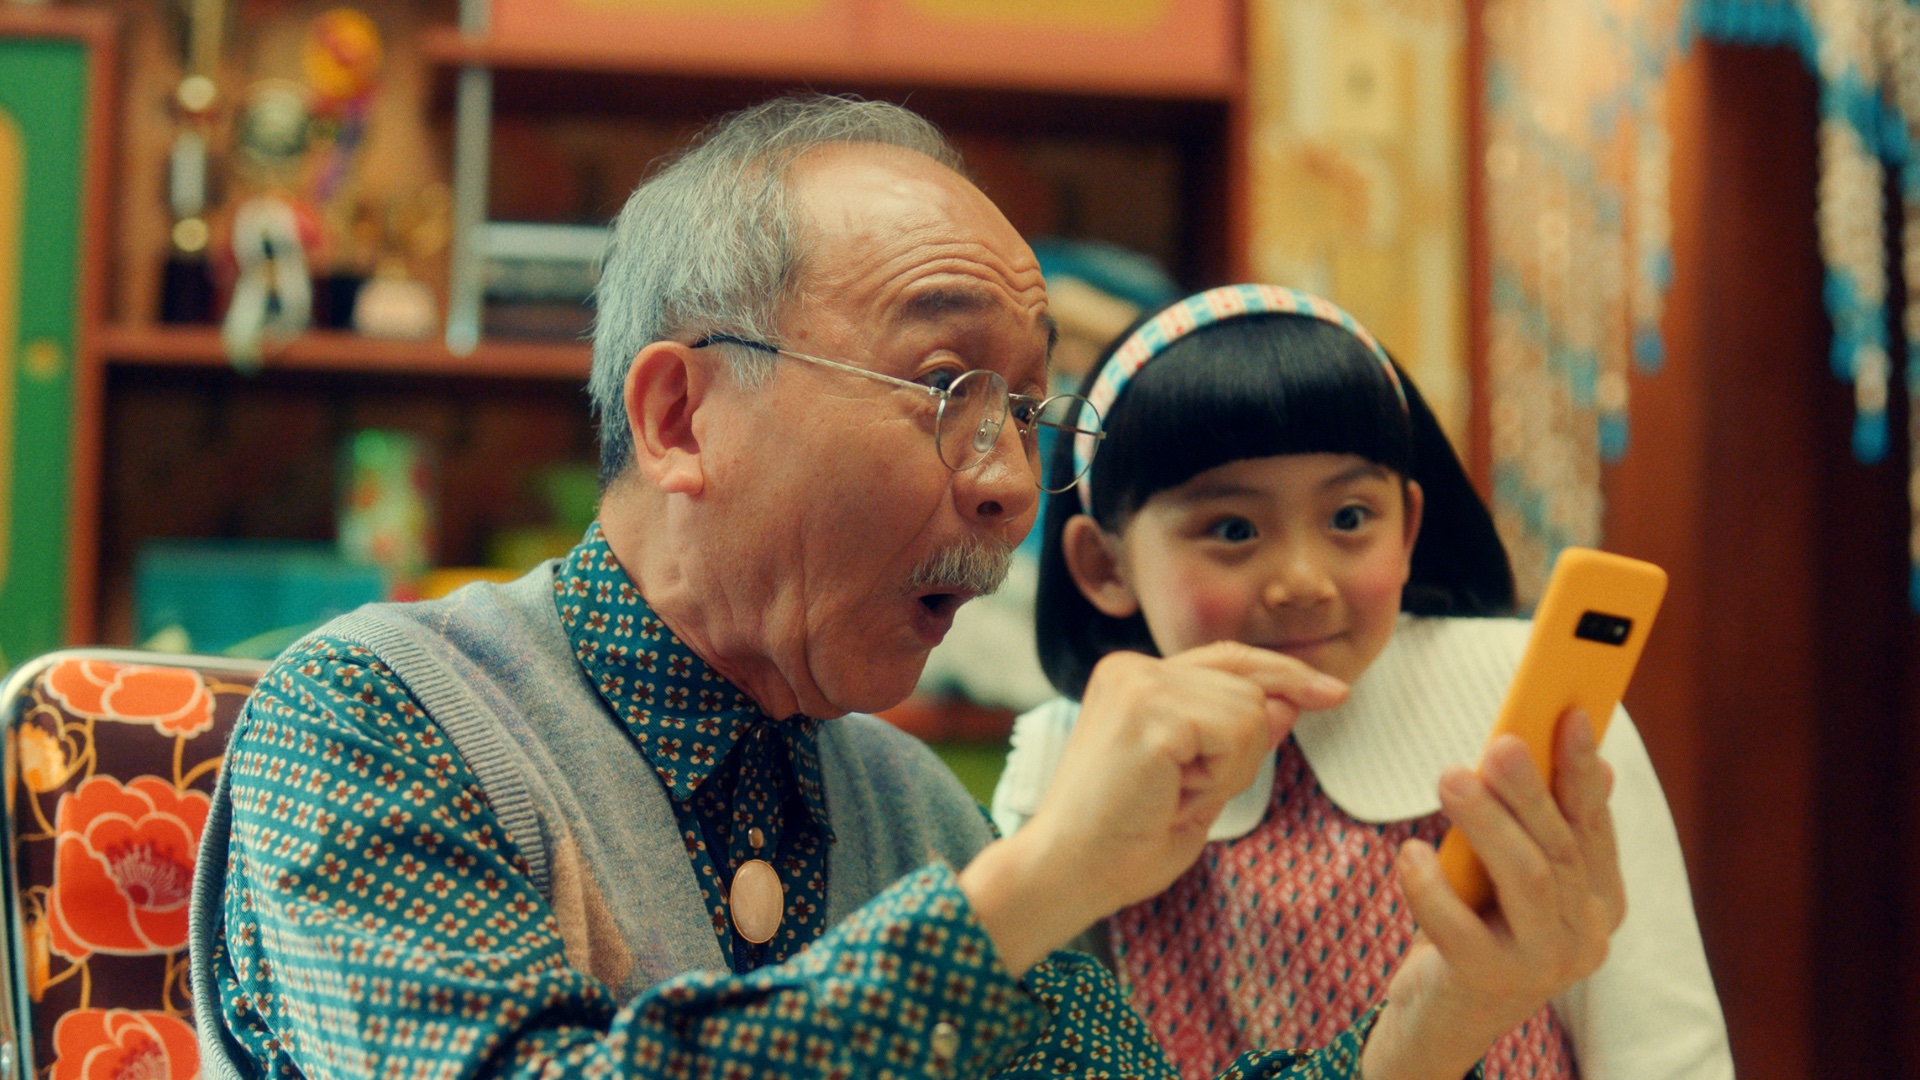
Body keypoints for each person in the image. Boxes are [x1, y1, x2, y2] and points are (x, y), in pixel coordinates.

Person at [190, 97, 1626, 1080]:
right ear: (681, 417)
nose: (1009, 482)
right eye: (946, 388)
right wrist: (1038, 883)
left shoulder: (912, 807)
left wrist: (1451, 1009)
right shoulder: (371, 715)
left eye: (1026, 410)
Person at [991, 284, 1732, 1080]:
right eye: (1233, 529)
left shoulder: (1526, 701)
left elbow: (1663, 1048)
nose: (1304, 581)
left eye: (1349, 518)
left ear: (1408, 527)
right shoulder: (1069, 759)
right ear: (1104, 565)